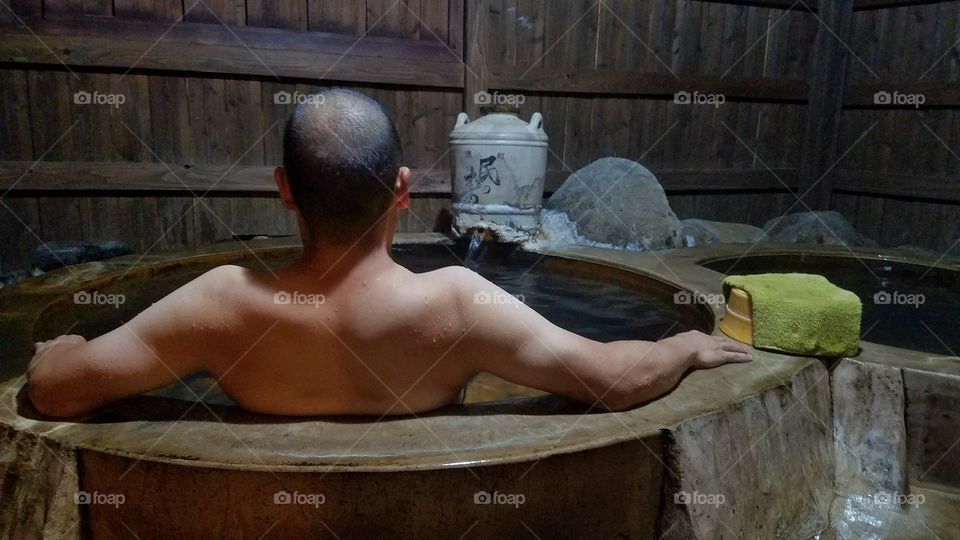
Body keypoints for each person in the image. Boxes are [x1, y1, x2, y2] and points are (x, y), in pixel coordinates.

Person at [27, 89, 751, 418]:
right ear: (403, 190)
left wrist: (55, 348)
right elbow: (611, 380)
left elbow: (59, 389)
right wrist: (684, 345)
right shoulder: (457, 303)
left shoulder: (221, 303)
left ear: (284, 190)